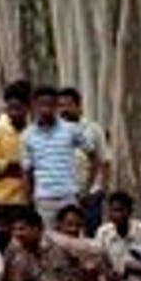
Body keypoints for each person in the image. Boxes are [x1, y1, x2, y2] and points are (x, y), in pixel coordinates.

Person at [21, 85, 99, 227]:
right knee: (47, 242)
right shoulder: (28, 135)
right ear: (34, 106)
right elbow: (27, 172)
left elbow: (93, 155)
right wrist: (28, 202)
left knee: (73, 241)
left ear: (56, 106)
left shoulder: (71, 129)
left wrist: (87, 188)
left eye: (50, 105)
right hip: (43, 199)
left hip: (68, 196)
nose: (46, 109)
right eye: (42, 105)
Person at [0, 80, 33, 246]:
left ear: (28, 108)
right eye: (10, 108)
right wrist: (19, 167)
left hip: (27, 197)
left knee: (24, 240)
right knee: (3, 240)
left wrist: (12, 168)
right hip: (3, 198)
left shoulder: (33, 131)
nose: (14, 113)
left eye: (19, 108)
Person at [55, 87, 109, 230]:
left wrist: (102, 189)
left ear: (78, 106)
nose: (64, 110)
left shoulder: (93, 129)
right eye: (60, 106)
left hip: (90, 194)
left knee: (91, 231)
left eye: (68, 105)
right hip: (62, 193)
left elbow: (104, 161)